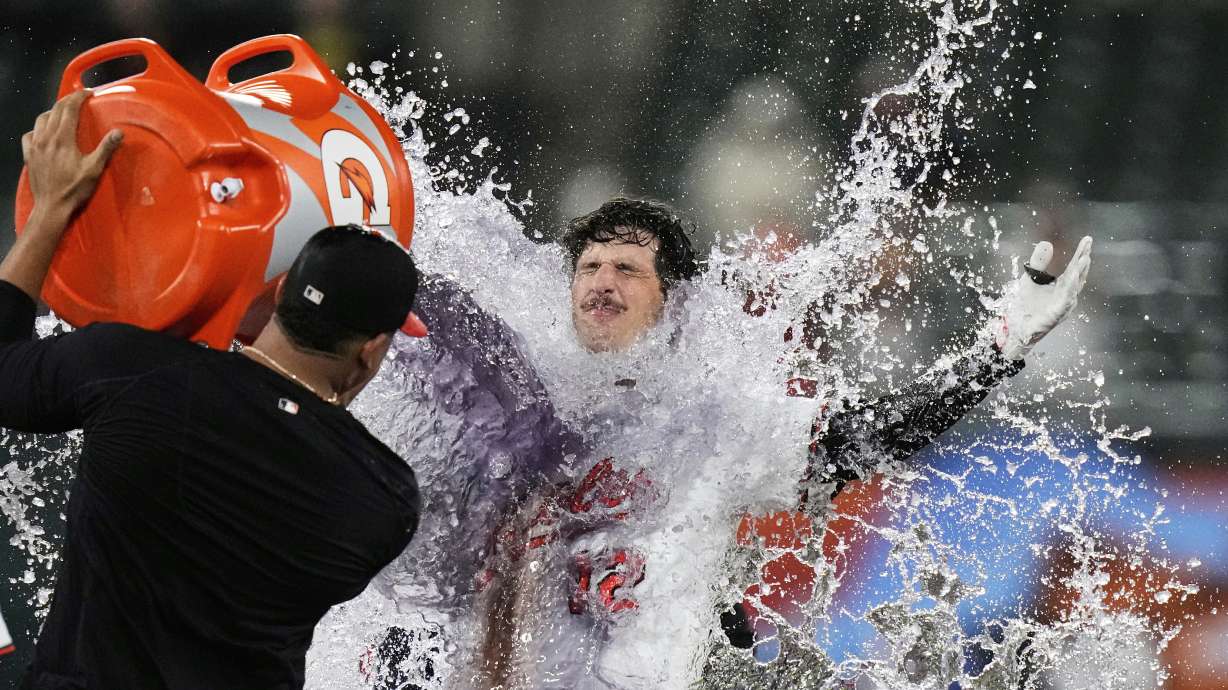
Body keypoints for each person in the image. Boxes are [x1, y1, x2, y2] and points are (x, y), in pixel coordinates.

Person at [366, 197, 1091, 688]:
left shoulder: (713, 420)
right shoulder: (526, 405)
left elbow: (867, 438)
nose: (602, 282)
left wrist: (997, 350)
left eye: (627, 269)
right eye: (589, 268)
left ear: (672, 301)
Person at [2, 91, 422, 690]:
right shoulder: (385, 500)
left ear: (278, 294)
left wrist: (52, 207)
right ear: (373, 349)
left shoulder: (129, 369)